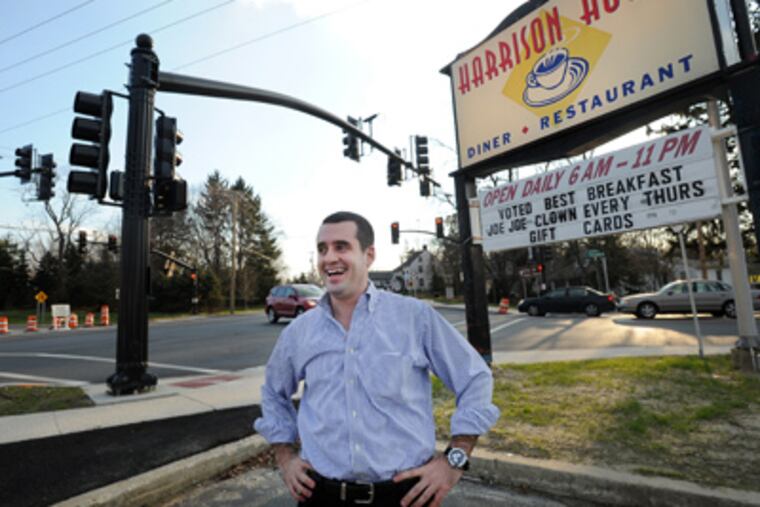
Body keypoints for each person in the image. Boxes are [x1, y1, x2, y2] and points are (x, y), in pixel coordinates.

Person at [254, 211, 499, 506]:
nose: (329, 258)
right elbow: (273, 393)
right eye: (322, 249)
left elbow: (474, 377)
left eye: (341, 247)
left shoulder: (414, 317)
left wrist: (455, 459)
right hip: (319, 495)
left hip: (404, 496)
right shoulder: (299, 332)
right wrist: (285, 457)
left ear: (369, 255)